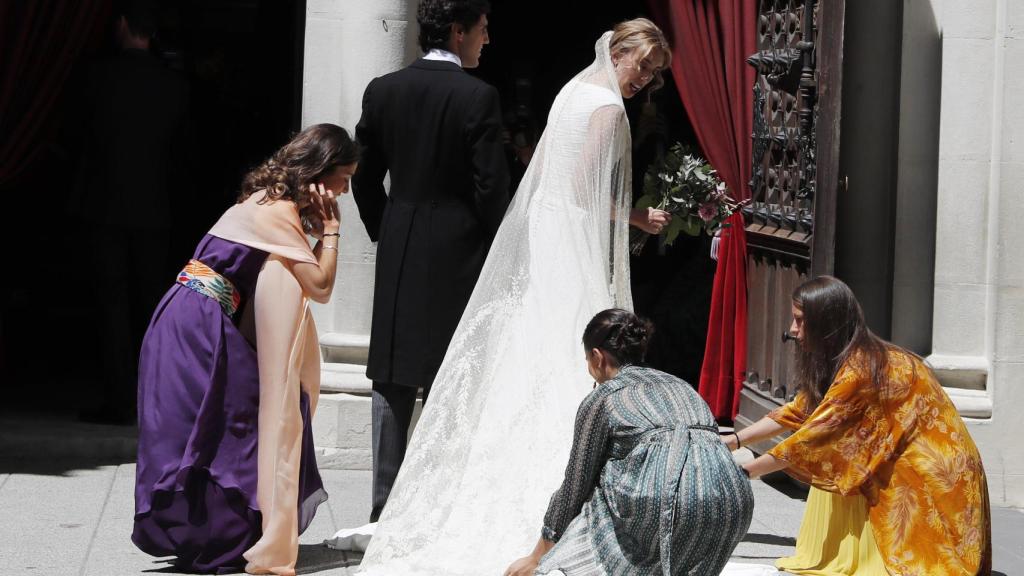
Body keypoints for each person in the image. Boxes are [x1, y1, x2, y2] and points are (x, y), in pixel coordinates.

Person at [337, 18, 674, 575]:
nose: (644, 80)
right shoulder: (608, 109)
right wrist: (635, 214)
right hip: (568, 240)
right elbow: (578, 190)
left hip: (542, 236)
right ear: (618, 52)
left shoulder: (573, 90)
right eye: (642, 66)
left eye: (654, 74)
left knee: (527, 358)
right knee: (570, 357)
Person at [132, 124, 358, 575]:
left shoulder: (275, 205)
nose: (346, 190)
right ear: (319, 172)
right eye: (344, 178)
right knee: (225, 421)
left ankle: (229, 529)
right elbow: (321, 285)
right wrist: (331, 231)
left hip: (202, 317)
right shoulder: (275, 211)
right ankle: (227, 533)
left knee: (227, 419)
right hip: (196, 324)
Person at [350, 0, 511, 522]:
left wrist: (386, 226)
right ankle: (437, 503)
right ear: (459, 32)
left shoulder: (383, 89)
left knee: (392, 374)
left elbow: (362, 175)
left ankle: (384, 508)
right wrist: (498, 251)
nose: (487, 40)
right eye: (483, 30)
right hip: (460, 248)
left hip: (401, 239)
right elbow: (491, 188)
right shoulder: (477, 96)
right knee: (452, 374)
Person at [727, 276, 992, 576]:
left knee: (839, 457)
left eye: (800, 321)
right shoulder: (853, 358)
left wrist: (740, 473)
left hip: (936, 483)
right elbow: (799, 411)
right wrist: (733, 441)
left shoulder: (862, 369)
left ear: (826, 324)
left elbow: (811, 438)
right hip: (920, 465)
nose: (792, 330)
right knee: (841, 459)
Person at [504, 309, 754, 576]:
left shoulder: (605, 397)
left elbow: (576, 483)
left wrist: (539, 555)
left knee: (599, 489)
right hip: (732, 501)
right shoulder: (682, 386)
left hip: (662, 502)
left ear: (597, 357)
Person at [73, 0, 190, 424]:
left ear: (121, 25)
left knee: (112, 307)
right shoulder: (174, 86)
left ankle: (119, 398)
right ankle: (156, 400)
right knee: (153, 306)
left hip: (103, 204)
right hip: (156, 207)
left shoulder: (98, 77)